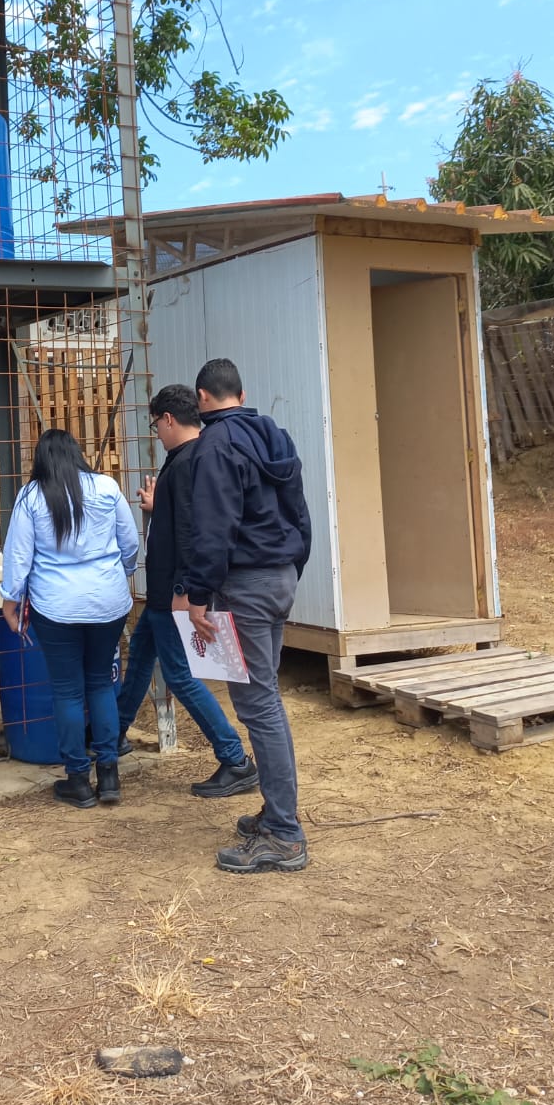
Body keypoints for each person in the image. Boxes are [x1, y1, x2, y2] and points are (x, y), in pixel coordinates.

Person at [183, 358, 312, 875]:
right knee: (266, 700)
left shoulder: (215, 445)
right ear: (241, 392)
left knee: (259, 706)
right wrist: (292, 566)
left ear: (202, 397)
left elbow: (213, 528)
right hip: (279, 576)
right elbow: (299, 511)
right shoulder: (275, 434)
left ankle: (284, 833)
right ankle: (277, 814)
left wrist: (197, 594)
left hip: (246, 583)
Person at [115, 384, 259, 798]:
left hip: (174, 592)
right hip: (165, 590)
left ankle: (234, 758)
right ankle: (111, 735)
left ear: (168, 419)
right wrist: (157, 509)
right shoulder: (190, 458)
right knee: (141, 656)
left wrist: (183, 587)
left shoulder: (188, 461)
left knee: (180, 674)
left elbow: (196, 533)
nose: (157, 434)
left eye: (155, 425)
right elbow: (184, 520)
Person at [0, 428, 139, 809]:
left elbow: (18, 555)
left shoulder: (31, 496)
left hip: (56, 607)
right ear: (77, 454)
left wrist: (11, 599)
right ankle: (109, 774)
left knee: (67, 691)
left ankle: (78, 779)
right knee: (100, 683)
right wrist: (119, 573)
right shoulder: (107, 488)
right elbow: (130, 543)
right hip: (108, 603)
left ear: (41, 460)